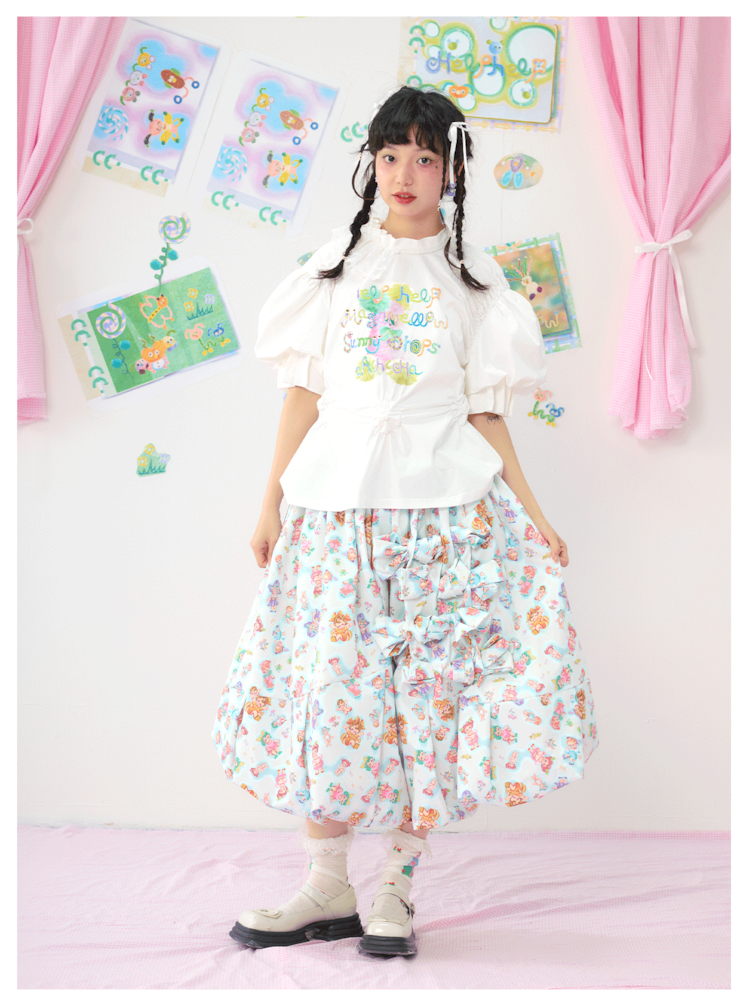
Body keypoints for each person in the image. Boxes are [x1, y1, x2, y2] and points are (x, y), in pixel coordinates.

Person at [212, 85, 599, 958]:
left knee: (430, 698)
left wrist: (536, 517)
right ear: (371, 163)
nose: (406, 174)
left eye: (425, 158)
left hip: (444, 519)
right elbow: (302, 394)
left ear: (450, 172)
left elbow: (486, 414)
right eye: (391, 156)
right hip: (338, 512)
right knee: (332, 687)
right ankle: (326, 884)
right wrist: (270, 501)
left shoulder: (477, 284)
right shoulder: (333, 269)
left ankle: (396, 884)